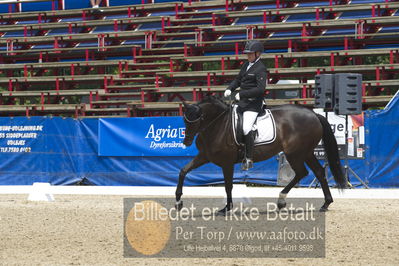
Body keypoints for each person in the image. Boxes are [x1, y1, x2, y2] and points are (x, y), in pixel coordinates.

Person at [224, 40, 267, 171]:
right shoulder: (246, 65)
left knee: (246, 128)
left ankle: (249, 158)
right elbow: (238, 79)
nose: (248, 56)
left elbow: (261, 89)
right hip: (242, 102)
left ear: (258, 54)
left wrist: (243, 94)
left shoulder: (261, 68)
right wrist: (230, 88)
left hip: (254, 104)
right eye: (247, 54)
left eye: (250, 54)